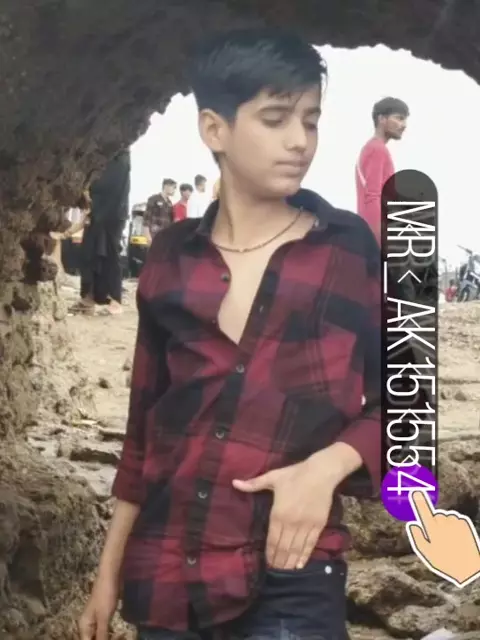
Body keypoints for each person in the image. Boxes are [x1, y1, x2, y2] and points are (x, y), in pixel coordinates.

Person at [79, 27, 380, 640]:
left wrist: (325, 469)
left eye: (311, 120)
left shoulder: (351, 249)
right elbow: (143, 434)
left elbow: (410, 407)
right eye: (275, 119)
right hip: (164, 574)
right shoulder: (169, 256)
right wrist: (107, 574)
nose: (300, 140)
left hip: (292, 565)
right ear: (215, 129)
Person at [71, 149, 130, 316]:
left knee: (110, 254)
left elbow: (111, 187)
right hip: (96, 212)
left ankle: (115, 300)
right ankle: (88, 297)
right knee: (89, 252)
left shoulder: (120, 158)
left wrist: (89, 191)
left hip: (113, 213)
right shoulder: (103, 155)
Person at [355, 97, 409, 244]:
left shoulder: (373, 148)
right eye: (399, 118)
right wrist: (379, 242)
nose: (404, 125)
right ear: (381, 119)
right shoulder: (376, 149)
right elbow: (373, 196)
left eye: (405, 120)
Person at [143, 178, 177, 243]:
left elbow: (171, 221)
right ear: (166, 186)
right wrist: (147, 235)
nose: (174, 190)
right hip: (154, 234)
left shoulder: (169, 203)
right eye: (174, 187)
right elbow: (146, 218)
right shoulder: (153, 199)